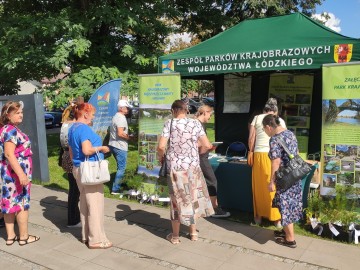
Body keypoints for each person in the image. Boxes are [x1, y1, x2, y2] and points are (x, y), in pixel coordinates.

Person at [157, 100, 214, 244]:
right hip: (193, 167)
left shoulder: (169, 124)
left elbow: (161, 146)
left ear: (173, 110)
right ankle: (193, 233)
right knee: (193, 198)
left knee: (176, 200)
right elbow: (207, 145)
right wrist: (197, 151)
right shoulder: (195, 123)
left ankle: (175, 236)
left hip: (176, 169)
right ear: (186, 110)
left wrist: (160, 157)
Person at [68, 102, 112, 249]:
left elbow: (71, 152)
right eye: (92, 114)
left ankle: (87, 236)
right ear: (85, 114)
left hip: (79, 168)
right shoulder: (85, 129)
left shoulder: (72, 128)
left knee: (86, 205)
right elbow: (87, 150)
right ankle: (96, 240)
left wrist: (76, 164)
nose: (93, 116)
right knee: (95, 205)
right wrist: (102, 148)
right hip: (91, 170)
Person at [0, 101, 40, 246]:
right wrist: (22, 175)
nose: (21, 115)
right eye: (17, 113)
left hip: (8, 174)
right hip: (15, 176)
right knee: (22, 204)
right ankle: (23, 237)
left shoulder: (5, 129)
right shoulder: (11, 130)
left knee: (9, 204)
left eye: (21, 112)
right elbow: (9, 154)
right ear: (7, 115)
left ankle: (10, 237)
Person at [263, 114, 302, 248]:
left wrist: (272, 181)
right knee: (290, 204)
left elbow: (276, 161)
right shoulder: (290, 133)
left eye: (264, 129)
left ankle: (290, 239)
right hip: (294, 175)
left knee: (285, 206)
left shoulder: (274, 139)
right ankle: (286, 231)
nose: (265, 132)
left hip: (284, 177)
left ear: (269, 127)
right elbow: (296, 152)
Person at [248, 98, 286, 227]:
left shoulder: (257, 118)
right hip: (275, 156)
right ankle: (277, 219)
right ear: (275, 110)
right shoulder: (280, 121)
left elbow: (252, 138)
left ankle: (258, 216)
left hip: (260, 154)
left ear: (265, 109)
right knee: (274, 186)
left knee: (258, 187)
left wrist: (250, 152)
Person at [195, 105, 230, 218]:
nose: (210, 117)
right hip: (201, 157)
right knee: (212, 181)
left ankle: (203, 207)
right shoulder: (198, 125)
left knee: (201, 182)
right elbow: (199, 144)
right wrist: (209, 146)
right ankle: (214, 209)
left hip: (198, 157)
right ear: (205, 112)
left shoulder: (195, 123)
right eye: (210, 114)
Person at [60, 106, 81, 228]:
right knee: (74, 191)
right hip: (72, 157)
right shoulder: (73, 127)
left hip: (66, 155)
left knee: (73, 189)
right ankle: (73, 219)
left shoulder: (64, 125)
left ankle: (74, 217)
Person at [108, 99, 132, 195]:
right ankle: (115, 189)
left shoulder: (116, 116)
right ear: (121, 108)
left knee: (120, 166)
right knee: (122, 168)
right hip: (120, 145)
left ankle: (118, 185)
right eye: (127, 108)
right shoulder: (121, 118)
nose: (128, 109)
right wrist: (130, 137)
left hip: (114, 144)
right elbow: (121, 133)